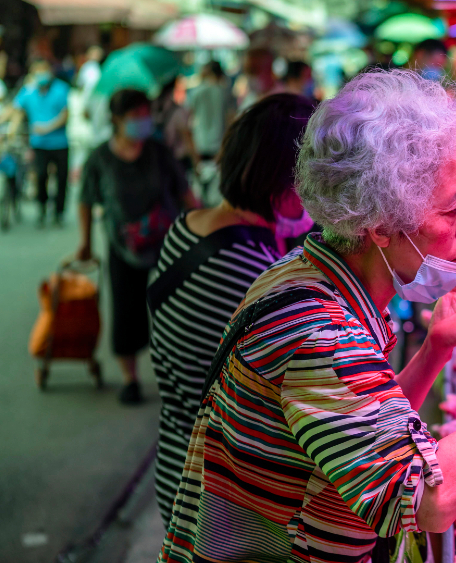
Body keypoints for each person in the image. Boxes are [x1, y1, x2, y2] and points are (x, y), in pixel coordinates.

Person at [158, 69, 456, 563]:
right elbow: (426, 500)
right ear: (381, 226)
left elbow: (362, 433)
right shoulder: (322, 334)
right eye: (451, 208)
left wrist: (436, 347)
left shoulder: (304, 272)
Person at [149, 93, 317, 522]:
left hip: (177, 459)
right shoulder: (255, 274)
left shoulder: (185, 228)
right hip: (219, 493)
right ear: (284, 183)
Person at [76, 89, 198, 405]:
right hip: (122, 247)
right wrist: (85, 242)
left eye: (146, 115)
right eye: (136, 116)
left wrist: (205, 226)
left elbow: (185, 193)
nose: (143, 121)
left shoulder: (159, 151)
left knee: (176, 312)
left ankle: (181, 376)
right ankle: (130, 378)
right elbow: (86, 201)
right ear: (117, 120)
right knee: (126, 312)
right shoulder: (100, 158)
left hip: (169, 245)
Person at [9, 60, 71, 226]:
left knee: (62, 178)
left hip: (60, 142)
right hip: (39, 143)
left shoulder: (61, 89)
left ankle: (59, 212)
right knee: (41, 175)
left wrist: (47, 127)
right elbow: (15, 111)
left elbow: (65, 115)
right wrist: (8, 129)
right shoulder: (28, 92)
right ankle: (42, 208)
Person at [185, 61, 234, 200]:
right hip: (220, 147)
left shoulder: (196, 92)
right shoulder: (226, 92)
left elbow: (187, 122)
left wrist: (193, 154)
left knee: (200, 195)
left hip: (199, 146)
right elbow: (231, 122)